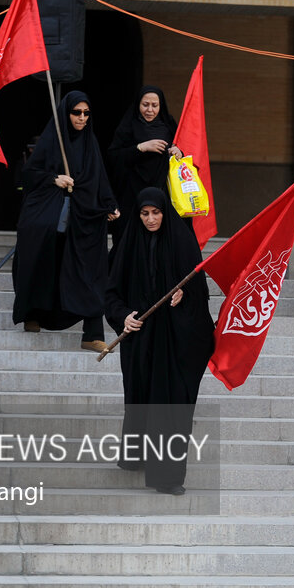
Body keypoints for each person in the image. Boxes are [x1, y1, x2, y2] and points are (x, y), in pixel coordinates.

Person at [105, 187, 216, 495]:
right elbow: (111, 294)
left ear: (165, 213)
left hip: (173, 340)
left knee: (168, 406)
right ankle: (136, 457)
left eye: (156, 213)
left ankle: (167, 477)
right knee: (140, 398)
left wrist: (185, 293)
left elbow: (199, 290)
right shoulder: (127, 246)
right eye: (144, 213)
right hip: (140, 340)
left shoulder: (181, 242)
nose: (151, 219)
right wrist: (123, 316)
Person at [12, 91, 120, 351]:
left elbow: (99, 177)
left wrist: (109, 203)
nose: (82, 118)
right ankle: (34, 314)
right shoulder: (52, 140)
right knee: (44, 263)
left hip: (83, 218)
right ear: (66, 114)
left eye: (86, 113)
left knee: (92, 270)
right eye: (76, 113)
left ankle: (92, 333)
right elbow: (29, 175)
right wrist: (54, 179)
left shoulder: (89, 142)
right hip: (52, 216)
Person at [107, 86, 181, 247]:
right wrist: (140, 147)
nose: (149, 110)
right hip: (131, 192)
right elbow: (113, 156)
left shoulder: (168, 125)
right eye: (145, 104)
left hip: (161, 191)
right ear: (137, 105)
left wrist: (178, 151)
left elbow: (182, 150)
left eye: (155, 105)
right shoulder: (128, 126)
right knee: (129, 240)